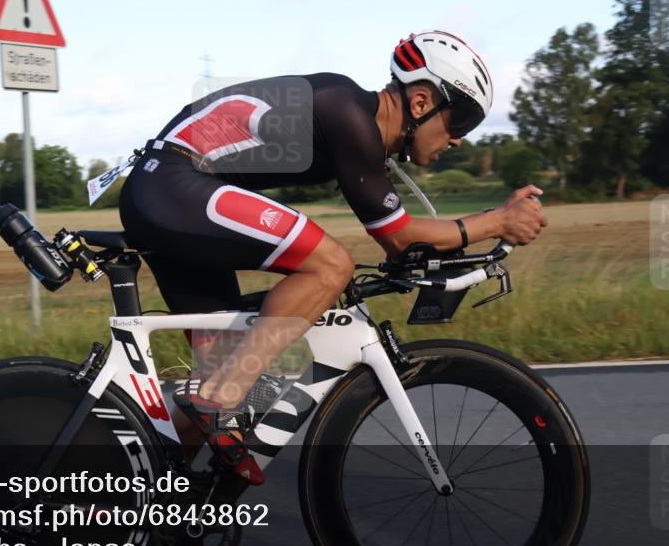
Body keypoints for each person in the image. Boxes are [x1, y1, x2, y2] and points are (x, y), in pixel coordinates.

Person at [117, 30, 547, 485]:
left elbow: (411, 238)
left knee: (227, 412)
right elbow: (399, 239)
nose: (458, 141)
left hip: (171, 194)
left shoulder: (356, 120)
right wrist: (498, 222)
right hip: (174, 185)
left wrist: (489, 223)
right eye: (459, 124)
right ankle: (218, 393)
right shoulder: (347, 112)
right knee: (330, 265)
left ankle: (148, 512)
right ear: (420, 103)